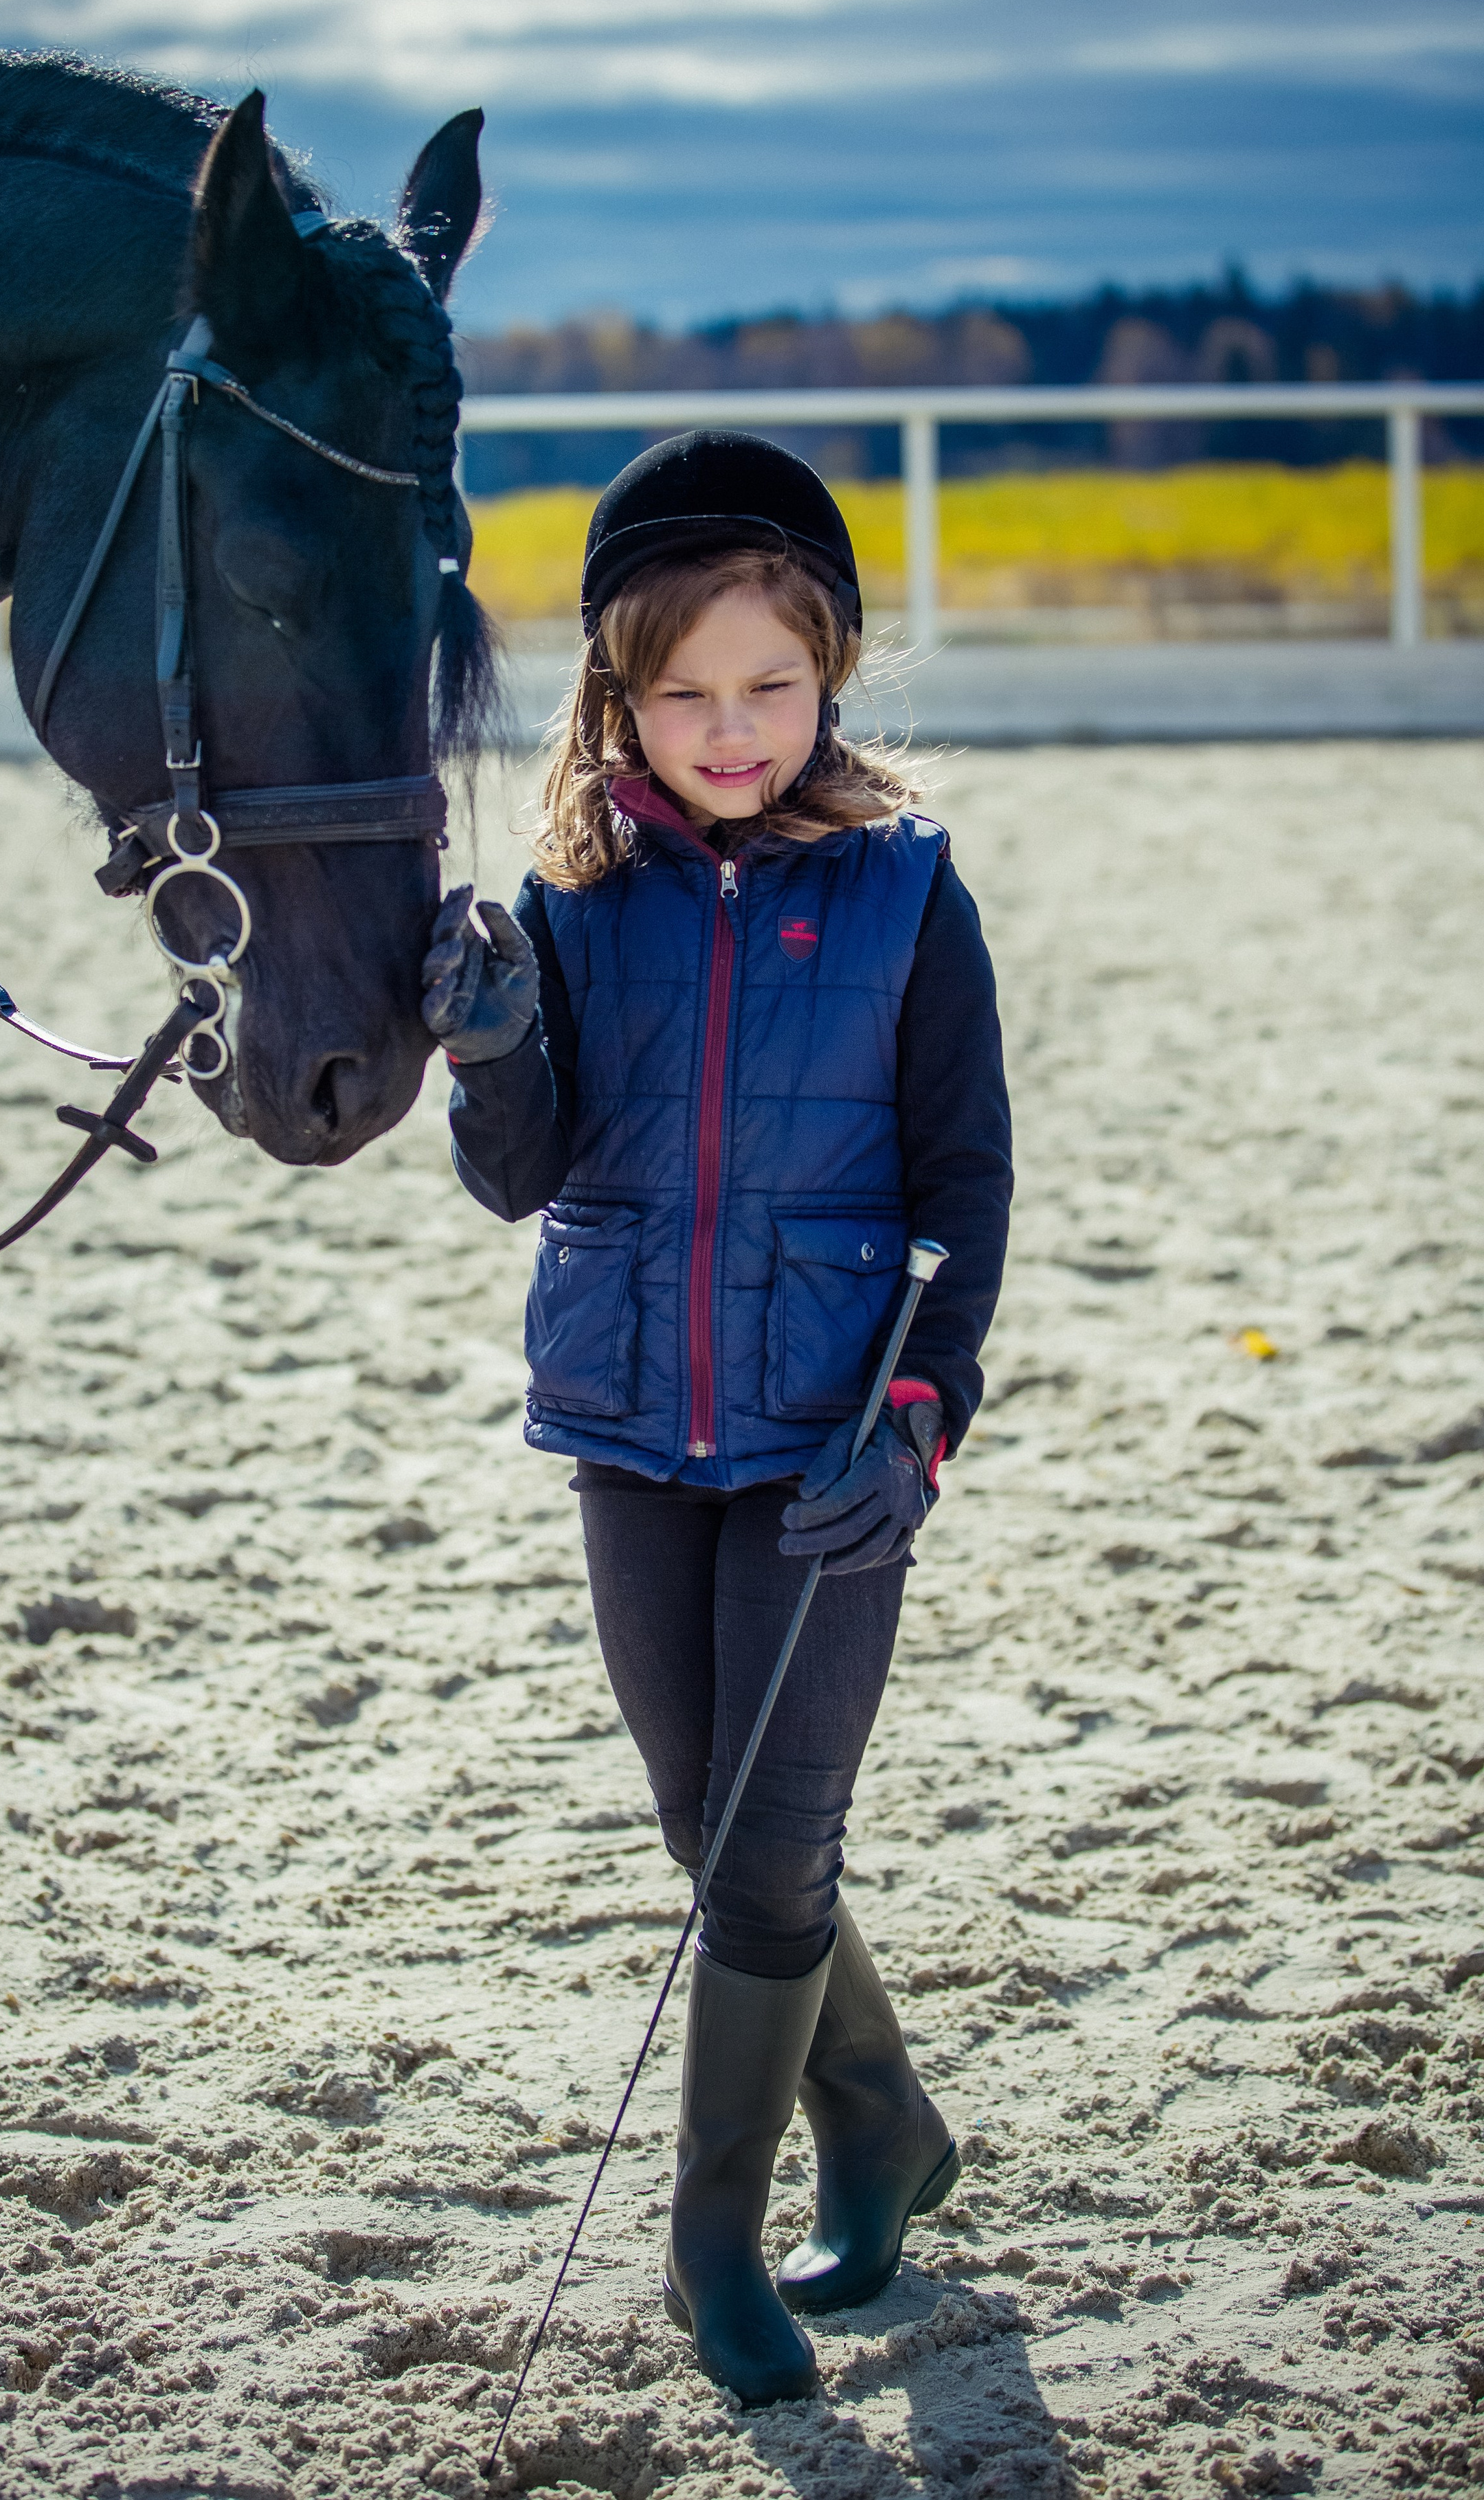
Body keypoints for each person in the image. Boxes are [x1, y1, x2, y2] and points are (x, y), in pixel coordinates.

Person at [423, 432, 1012, 2407]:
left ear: (828, 671)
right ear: (619, 693)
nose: (731, 727)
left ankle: (710, 2252)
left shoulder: (911, 893)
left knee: (774, 1849)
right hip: (625, 1421)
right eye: (683, 692)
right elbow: (519, 1175)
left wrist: (921, 1415)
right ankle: (885, 2118)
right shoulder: (571, 901)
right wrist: (489, 1045)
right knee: (705, 1825)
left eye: (770, 684)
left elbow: (969, 1187)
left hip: (831, 1442)